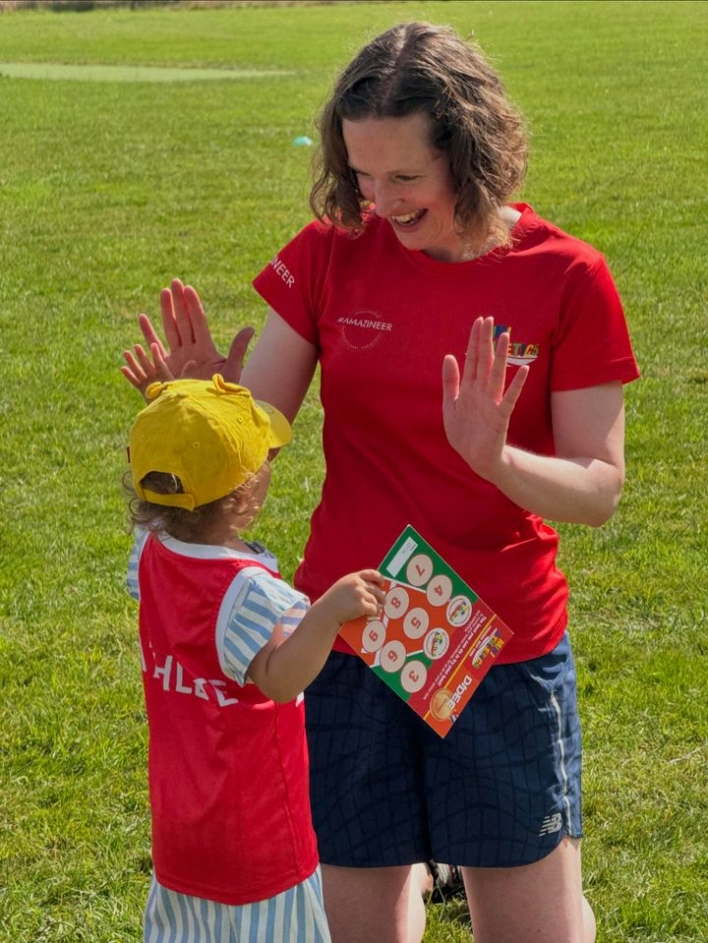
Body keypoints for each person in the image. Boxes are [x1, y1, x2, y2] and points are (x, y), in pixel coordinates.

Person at [122, 21, 640, 943]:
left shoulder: (567, 277)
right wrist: (200, 403)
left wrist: (497, 460)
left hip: (499, 648)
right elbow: (257, 437)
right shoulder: (333, 249)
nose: (380, 203)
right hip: (353, 637)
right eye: (361, 177)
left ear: (473, 155)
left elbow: (599, 487)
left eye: (405, 178)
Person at [124, 374, 386, 943]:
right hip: (258, 839)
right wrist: (327, 613)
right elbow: (279, 680)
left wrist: (172, 423)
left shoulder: (151, 554)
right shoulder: (246, 592)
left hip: (182, 832)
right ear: (246, 495)